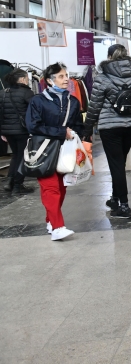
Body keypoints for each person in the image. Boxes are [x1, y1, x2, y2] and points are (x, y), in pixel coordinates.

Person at [85, 45, 131, 219]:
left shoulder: (102, 77)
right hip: (130, 126)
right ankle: (115, 198)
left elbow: (94, 106)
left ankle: (124, 206)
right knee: (119, 164)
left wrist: (87, 129)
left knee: (116, 165)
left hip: (109, 128)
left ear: (109, 56)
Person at [26, 62, 84, 240]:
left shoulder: (72, 101)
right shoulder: (38, 101)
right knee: (50, 188)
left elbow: (77, 125)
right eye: (61, 76)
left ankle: (51, 221)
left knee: (61, 188)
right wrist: (60, 132)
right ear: (50, 81)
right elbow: (33, 126)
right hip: (43, 151)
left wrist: (76, 136)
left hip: (64, 152)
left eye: (66, 75)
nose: (66, 79)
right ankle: (58, 228)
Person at [1, 69, 35, 194]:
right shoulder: (27, 93)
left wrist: (2, 131)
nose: (28, 80)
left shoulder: (2, 93)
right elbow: (34, 111)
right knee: (23, 157)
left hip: (7, 131)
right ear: (21, 79)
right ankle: (17, 185)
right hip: (22, 130)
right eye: (27, 78)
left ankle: (10, 182)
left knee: (16, 155)